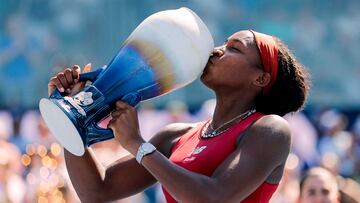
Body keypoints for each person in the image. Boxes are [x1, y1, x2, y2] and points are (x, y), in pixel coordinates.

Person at [48, 30, 310, 202]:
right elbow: (97, 191)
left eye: (234, 48)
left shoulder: (270, 129)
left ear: (260, 78)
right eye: (223, 43)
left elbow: (214, 199)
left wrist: (138, 145)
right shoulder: (176, 135)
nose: (217, 50)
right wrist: (73, 117)